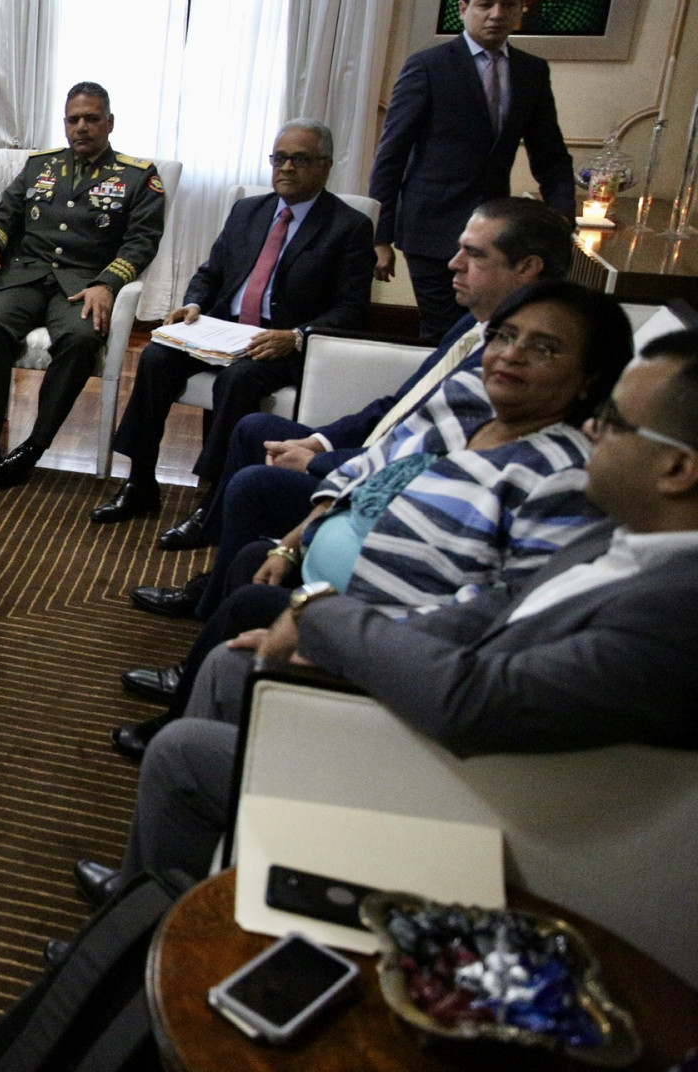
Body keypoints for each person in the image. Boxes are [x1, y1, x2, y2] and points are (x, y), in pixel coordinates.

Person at [76, 329, 698, 900]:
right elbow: (492, 610)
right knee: (228, 665)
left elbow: (477, 701)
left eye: (615, 423)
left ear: (677, 468)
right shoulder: (619, 538)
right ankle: (182, 893)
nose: (593, 431)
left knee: (183, 751)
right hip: (452, 714)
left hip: (486, 796)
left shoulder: (675, 611)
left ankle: (157, 929)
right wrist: (343, 642)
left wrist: (322, 616)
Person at [110, 280, 632, 762]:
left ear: (591, 377)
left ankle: (199, 728)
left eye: (544, 348)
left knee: (245, 603)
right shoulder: (471, 403)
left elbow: (503, 611)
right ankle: (215, 714)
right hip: (350, 596)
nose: (512, 354)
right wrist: (295, 541)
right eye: (505, 336)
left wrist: (343, 634)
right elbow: (377, 462)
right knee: (254, 560)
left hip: (395, 632)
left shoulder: (564, 477)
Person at [125, 199, 572, 626]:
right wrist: (318, 441)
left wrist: (319, 462)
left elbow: (427, 455)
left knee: (254, 482)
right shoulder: (473, 324)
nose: (453, 263)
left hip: (389, 480)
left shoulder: (510, 364)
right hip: (370, 447)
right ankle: (203, 546)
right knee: (252, 427)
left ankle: (213, 601)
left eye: (473, 254)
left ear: (527, 268)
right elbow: (397, 407)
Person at [90, 120, 375, 526]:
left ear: (325, 166)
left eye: (299, 160)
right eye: (279, 158)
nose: (286, 168)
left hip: (283, 344)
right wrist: (192, 305)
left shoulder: (348, 227)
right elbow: (211, 273)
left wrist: (296, 337)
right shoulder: (248, 211)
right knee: (155, 358)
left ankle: (215, 499)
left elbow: (351, 309)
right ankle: (140, 482)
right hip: (223, 331)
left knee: (237, 380)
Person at [0, 82, 166, 489]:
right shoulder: (41, 166)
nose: (81, 127)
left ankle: (33, 446)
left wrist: (108, 283)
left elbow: (142, 242)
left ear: (110, 122)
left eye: (91, 118)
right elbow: (7, 211)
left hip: (84, 284)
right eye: (73, 120)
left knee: (81, 340)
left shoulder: (138, 176)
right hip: (26, 275)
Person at [369, 0, 575, 340]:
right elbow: (391, 154)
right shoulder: (428, 66)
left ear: (521, 9)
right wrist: (380, 237)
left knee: (485, 329)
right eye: (486, 4)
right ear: (465, 8)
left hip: (497, 236)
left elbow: (551, 154)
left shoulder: (531, 71)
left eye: (508, 5)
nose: (496, 14)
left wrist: (562, 219)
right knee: (442, 332)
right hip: (431, 230)